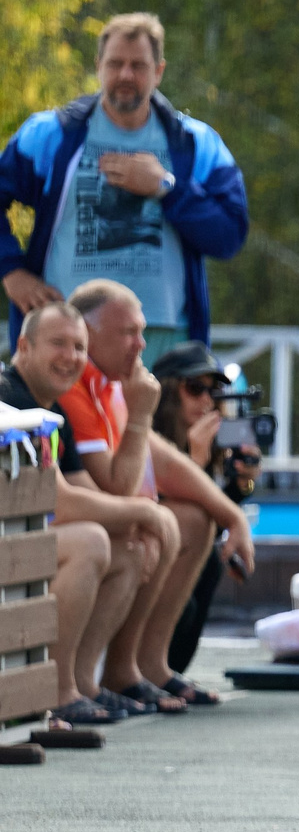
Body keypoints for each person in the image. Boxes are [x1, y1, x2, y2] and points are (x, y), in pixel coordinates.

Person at [0, 12, 247, 360]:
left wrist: (165, 187)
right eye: (115, 63)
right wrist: (11, 271)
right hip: (68, 336)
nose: (126, 75)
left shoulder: (195, 144)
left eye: (138, 65)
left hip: (162, 341)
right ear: (98, 65)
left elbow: (230, 235)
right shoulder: (52, 135)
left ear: (159, 70)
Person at [60, 279, 255, 714]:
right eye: (128, 333)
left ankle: (141, 666)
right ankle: (78, 681)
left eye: (142, 331)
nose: (140, 344)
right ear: (88, 334)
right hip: (81, 529)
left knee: (191, 518)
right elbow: (117, 488)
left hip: (103, 519)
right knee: (146, 527)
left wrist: (233, 512)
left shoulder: (112, 383)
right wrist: (142, 416)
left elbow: (160, 459)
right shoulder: (80, 384)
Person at [0, 301, 152, 730]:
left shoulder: (53, 408)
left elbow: (90, 492)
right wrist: (143, 511)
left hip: (18, 549)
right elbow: (62, 503)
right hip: (8, 553)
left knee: (127, 549)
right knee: (90, 542)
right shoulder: (10, 397)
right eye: (58, 344)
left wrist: (138, 518)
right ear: (24, 346)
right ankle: (57, 689)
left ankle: (83, 682)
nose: (71, 357)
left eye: (79, 347)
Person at [148, 341, 260, 677]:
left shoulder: (207, 441)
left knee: (210, 562)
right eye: (195, 388)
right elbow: (158, 507)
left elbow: (212, 509)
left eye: (214, 391)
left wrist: (243, 486)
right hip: (147, 554)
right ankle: (154, 668)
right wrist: (193, 463)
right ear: (169, 393)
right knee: (206, 560)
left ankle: (170, 670)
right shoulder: (148, 438)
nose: (207, 400)